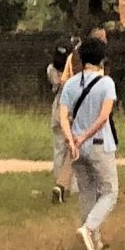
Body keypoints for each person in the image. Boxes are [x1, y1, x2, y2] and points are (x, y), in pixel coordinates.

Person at [58, 36, 117, 250]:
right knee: (109, 192)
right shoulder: (106, 83)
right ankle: (89, 228)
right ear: (101, 59)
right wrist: (84, 137)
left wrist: (72, 139)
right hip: (99, 144)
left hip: (76, 147)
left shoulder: (71, 84)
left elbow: (63, 116)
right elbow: (104, 117)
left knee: (86, 192)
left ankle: (95, 242)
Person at [47, 41, 74, 202]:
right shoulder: (71, 70)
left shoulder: (51, 69)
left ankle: (58, 182)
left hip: (57, 109)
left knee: (59, 150)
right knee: (72, 149)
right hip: (68, 110)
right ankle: (68, 186)